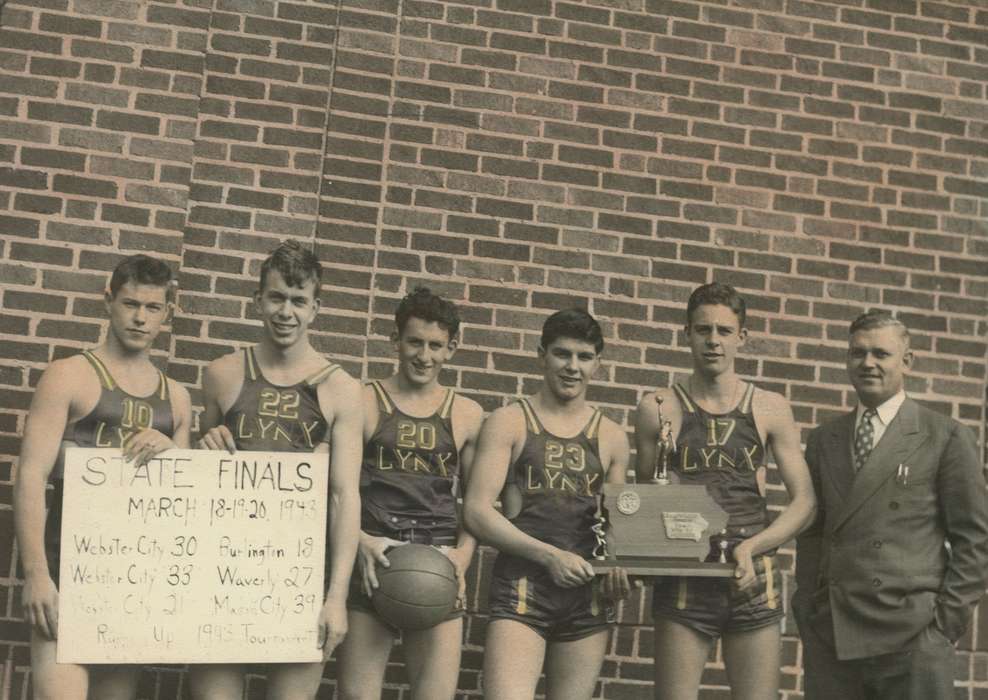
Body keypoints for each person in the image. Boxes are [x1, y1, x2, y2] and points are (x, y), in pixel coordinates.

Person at [189, 241, 363, 700]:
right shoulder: (223, 374)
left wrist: (336, 597)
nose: (286, 312)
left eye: (298, 301)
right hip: (224, 568)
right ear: (258, 300)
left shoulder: (342, 389)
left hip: (300, 573)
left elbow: (345, 497)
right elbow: (195, 482)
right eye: (276, 298)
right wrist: (203, 446)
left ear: (315, 309)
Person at [14, 254, 193, 700]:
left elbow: (190, 503)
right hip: (67, 574)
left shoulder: (177, 399)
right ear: (108, 300)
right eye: (130, 303)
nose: (139, 318)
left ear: (167, 313)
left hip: (132, 581)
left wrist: (172, 452)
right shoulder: (68, 376)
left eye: (153, 308)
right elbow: (31, 476)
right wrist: (37, 574)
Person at [634, 282, 815, 700]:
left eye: (724, 331)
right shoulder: (659, 407)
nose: (713, 341)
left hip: (751, 576)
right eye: (703, 330)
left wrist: (753, 547)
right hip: (685, 577)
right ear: (687, 334)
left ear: (742, 337)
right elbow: (647, 503)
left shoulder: (768, 406)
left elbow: (804, 500)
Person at [793, 311, 988, 699]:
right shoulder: (824, 440)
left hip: (912, 638)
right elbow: (813, 533)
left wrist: (942, 627)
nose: (868, 363)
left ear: (907, 361)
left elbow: (975, 541)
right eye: (857, 353)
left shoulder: (944, 436)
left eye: (881, 354)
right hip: (834, 635)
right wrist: (808, 607)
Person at [464, 308, 631, 700]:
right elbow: (476, 510)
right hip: (523, 584)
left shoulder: (611, 437)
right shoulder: (509, 421)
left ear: (597, 363)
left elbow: (617, 526)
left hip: (586, 596)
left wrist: (621, 566)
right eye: (562, 354)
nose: (573, 367)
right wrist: (549, 556)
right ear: (542, 355)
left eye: (584, 357)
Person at [336, 287, 483, 700]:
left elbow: (476, 504)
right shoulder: (364, 401)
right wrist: (359, 541)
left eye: (436, 346)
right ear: (395, 341)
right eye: (415, 342)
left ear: (451, 348)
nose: (424, 355)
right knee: (355, 695)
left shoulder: (467, 413)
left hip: (437, 562)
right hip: (373, 557)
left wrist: (463, 557)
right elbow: (337, 488)